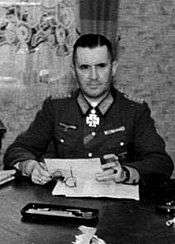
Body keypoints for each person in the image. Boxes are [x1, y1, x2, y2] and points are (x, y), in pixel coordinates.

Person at [3, 34, 174, 186]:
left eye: (101, 66)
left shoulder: (134, 110)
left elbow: (161, 162)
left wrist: (126, 172)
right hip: (65, 205)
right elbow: (17, 150)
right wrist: (30, 166)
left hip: (115, 210)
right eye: (84, 67)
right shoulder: (56, 107)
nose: (93, 76)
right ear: (74, 72)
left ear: (113, 68)